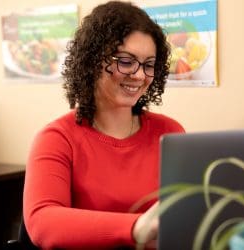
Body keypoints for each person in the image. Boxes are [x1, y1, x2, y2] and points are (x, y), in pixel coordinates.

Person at [23, 1, 185, 249]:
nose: (140, 75)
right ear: (93, 60)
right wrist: (136, 227)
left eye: (149, 64)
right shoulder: (57, 138)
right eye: (126, 61)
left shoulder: (170, 132)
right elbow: (42, 222)